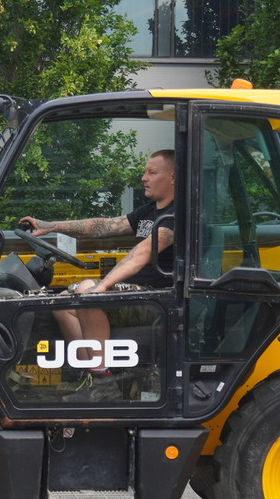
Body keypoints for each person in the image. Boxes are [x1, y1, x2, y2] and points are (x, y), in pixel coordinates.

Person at [20, 148, 176, 376]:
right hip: (139, 295)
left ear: (172, 177)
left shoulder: (175, 216)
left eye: (151, 172)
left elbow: (140, 255)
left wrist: (100, 287)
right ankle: (90, 375)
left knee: (87, 293)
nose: (144, 178)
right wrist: (53, 226)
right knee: (63, 303)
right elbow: (102, 226)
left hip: (158, 299)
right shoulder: (150, 211)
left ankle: (104, 379)